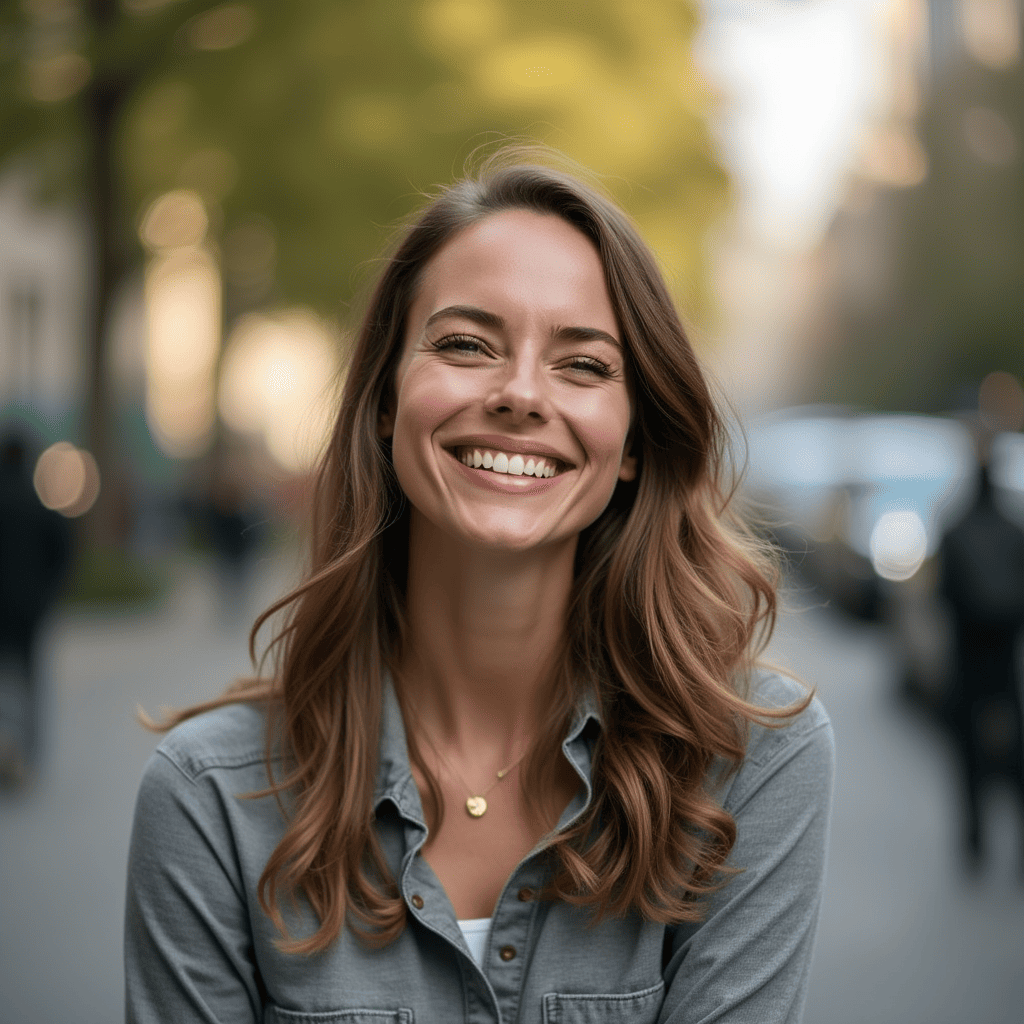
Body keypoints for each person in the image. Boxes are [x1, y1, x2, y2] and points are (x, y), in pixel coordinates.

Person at [125, 150, 835, 1024]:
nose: (521, 394)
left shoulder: (752, 764)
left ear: (636, 441)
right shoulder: (208, 800)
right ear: (385, 402)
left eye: (583, 365)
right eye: (466, 345)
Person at [938, 426, 1024, 874]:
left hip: (966, 659)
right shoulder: (1015, 531)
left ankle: (975, 842)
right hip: (1007, 660)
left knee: (968, 753)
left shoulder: (954, 530)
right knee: (1016, 753)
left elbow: (942, 596)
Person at [0, 430, 72, 783]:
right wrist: (47, 598)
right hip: (30, 612)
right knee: (29, 684)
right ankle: (26, 757)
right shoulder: (38, 505)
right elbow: (63, 557)